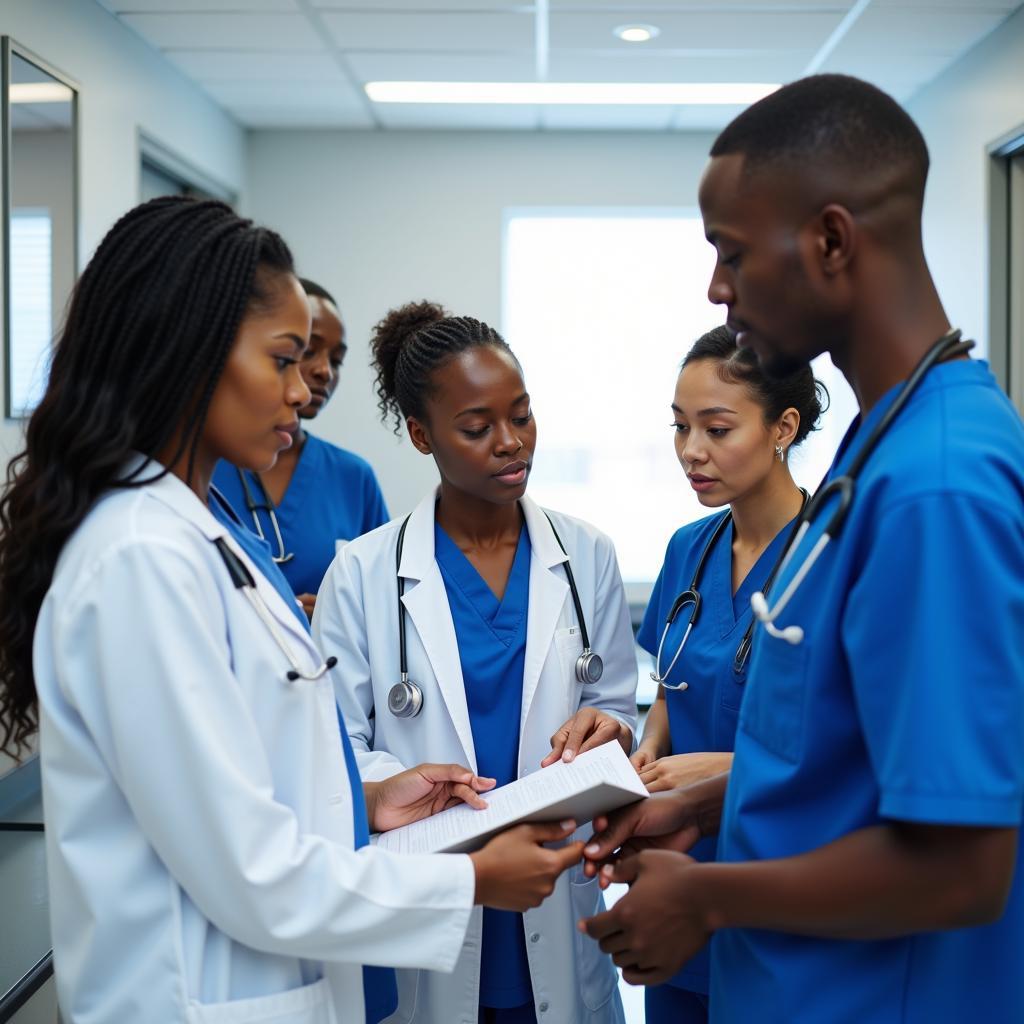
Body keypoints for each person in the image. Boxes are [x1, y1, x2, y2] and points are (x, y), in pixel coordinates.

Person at [0, 197, 585, 1024]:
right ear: (188, 351)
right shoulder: (141, 557)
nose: (303, 390)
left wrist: (371, 796)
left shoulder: (201, 535)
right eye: (283, 359)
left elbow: (249, 768)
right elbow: (250, 869)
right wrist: (472, 879)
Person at [580, 74, 1024, 1022]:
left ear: (830, 240)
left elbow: (963, 866)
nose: (717, 287)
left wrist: (706, 894)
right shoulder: (882, 445)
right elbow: (842, 763)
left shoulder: (937, 485)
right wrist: (703, 810)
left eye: (732, 252)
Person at [312, 301, 638, 1024]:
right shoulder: (362, 574)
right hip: (430, 905)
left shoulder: (587, 556)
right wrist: (394, 783)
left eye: (521, 415)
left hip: (559, 897)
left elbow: (616, 708)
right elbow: (333, 758)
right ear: (423, 436)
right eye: (477, 426)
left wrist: (608, 729)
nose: (510, 442)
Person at [631, 324, 824, 1024]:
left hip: (776, 874)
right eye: (681, 427)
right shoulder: (690, 548)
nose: (691, 452)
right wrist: (650, 747)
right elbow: (669, 684)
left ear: (784, 427)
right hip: (678, 876)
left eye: (716, 428)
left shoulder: (829, 560)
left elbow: (838, 745)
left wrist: (716, 771)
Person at [213, 277, 388, 618]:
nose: (324, 371)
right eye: (306, 350)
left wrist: (335, 615)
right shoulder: (203, 468)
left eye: (336, 360)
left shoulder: (354, 478)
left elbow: (386, 604)